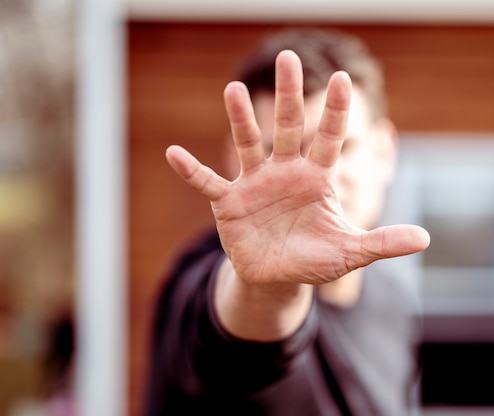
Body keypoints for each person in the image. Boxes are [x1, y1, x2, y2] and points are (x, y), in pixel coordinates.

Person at [144, 28, 430, 416]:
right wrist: (268, 287)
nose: (318, 180)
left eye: (340, 146)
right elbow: (236, 342)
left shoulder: (393, 300)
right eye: (279, 152)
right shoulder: (202, 279)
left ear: (385, 151)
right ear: (236, 161)